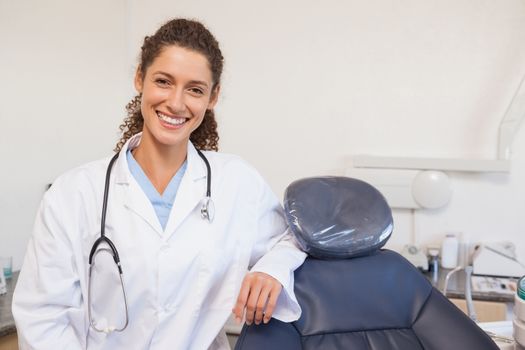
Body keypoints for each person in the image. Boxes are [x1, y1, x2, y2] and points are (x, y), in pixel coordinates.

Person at [12, 18, 306, 349]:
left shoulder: (236, 181)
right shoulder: (73, 194)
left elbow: (290, 239)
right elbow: (43, 319)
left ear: (213, 97)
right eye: (164, 81)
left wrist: (272, 271)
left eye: (195, 89)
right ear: (140, 78)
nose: (176, 103)